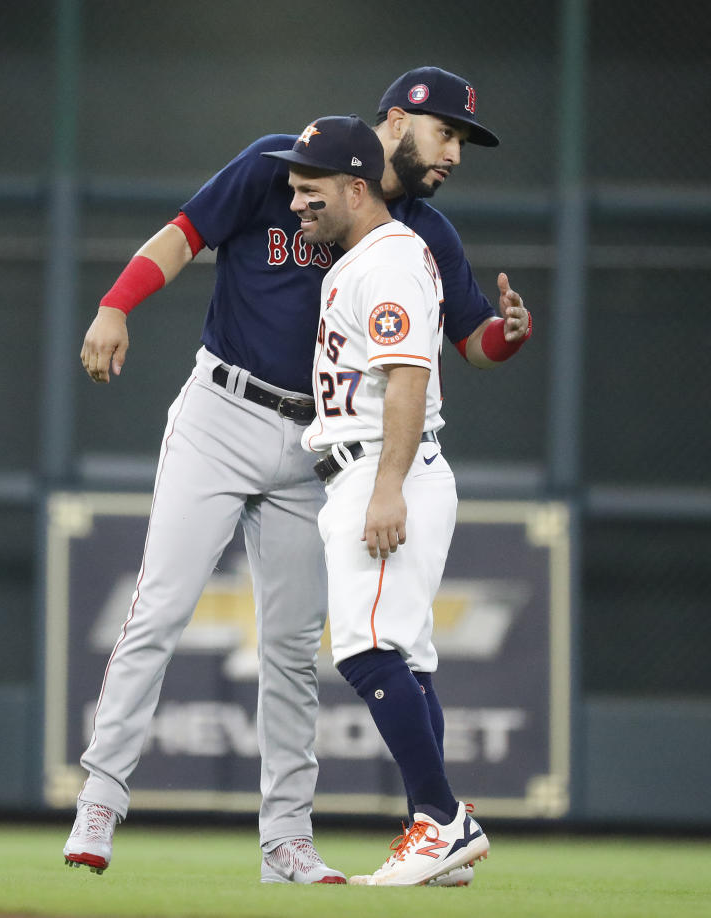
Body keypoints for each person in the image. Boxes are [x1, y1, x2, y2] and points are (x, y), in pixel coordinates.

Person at [64, 66, 531, 884]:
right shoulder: (285, 169)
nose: (454, 152)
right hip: (223, 410)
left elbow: (471, 342)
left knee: (289, 648)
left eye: (460, 140)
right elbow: (183, 233)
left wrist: (508, 335)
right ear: (396, 122)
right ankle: (101, 796)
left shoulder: (422, 234)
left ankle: (287, 839)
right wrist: (114, 304)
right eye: (446, 133)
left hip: (319, 446)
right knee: (160, 606)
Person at [263, 114, 491, 887]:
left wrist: (386, 485)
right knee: (407, 658)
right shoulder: (367, 257)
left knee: (365, 651)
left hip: (384, 469)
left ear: (356, 188)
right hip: (376, 467)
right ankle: (441, 838)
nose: (297, 203)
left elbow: (407, 378)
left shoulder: (388, 261)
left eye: (310, 189)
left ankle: (441, 821)